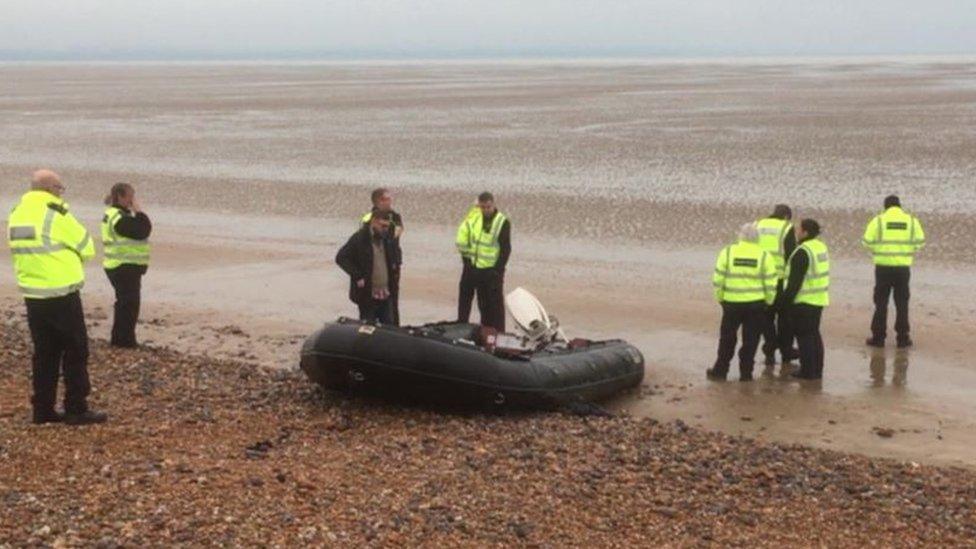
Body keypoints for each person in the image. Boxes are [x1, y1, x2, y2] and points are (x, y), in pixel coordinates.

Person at [6, 169, 107, 425]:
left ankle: (42, 409)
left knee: (45, 353)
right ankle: (76, 407)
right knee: (75, 351)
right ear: (51, 188)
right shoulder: (56, 213)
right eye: (60, 188)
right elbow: (87, 246)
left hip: (33, 294)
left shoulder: (17, 213)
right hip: (61, 292)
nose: (61, 193)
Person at [707, 223, 778, 382]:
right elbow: (771, 282)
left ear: (740, 235)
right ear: (757, 238)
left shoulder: (728, 252)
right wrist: (769, 300)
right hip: (756, 305)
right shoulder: (764, 256)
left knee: (727, 338)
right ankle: (746, 373)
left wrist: (720, 297)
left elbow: (718, 278)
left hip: (731, 303)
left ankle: (720, 370)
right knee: (751, 341)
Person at [862, 195, 925, 348]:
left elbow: (866, 242)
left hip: (883, 267)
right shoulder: (911, 221)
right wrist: (907, 250)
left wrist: (879, 250)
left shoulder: (878, 221)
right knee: (902, 303)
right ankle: (903, 338)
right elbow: (920, 242)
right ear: (899, 206)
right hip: (903, 268)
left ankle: (878, 337)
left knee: (881, 303)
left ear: (885, 207)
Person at [775, 219, 830, 380]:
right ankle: (817, 369)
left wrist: (784, 302)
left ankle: (807, 371)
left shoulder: (802, 252)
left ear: (805, 232)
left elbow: (794, 283)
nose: (796, 233)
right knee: (814, 335)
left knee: (804, 337)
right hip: (819, 298)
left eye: (798, 230)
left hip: (804, 300)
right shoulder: (820, 247)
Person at [101, 183, 152, 348]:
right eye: (131, 196)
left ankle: (121, 338)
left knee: (125, 303)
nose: (133, 200)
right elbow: (143, 229)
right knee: (129, 304)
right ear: (121, 197)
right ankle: (125, 341)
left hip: (120, 265)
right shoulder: (118, 217)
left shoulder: (116, 215)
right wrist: (140, 211)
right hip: (123, 265)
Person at [455, 192, 510, 331]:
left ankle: (498, 334)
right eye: (483, 207)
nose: (486, 210)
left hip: (493, 271)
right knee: (483, 306)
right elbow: (466, 240)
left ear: (493, 205)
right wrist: (468, 262)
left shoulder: (502, 222)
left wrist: (498, 269)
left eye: (488, 207)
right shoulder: (476, 219)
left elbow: (506, 249)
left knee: (496, 308)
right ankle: (485, 333)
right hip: (477, 268)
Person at [336, 211, 400, 324]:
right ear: (374, 221)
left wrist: (396, 265)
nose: (385, 229)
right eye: (383, 226)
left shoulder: (388, 239)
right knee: (368, 329)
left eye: (387, 226)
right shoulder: (359, 239)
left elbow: (396, 256)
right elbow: (341, 258)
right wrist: (358, 275)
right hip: (367, 295)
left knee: (389, 329)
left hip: (386, 294)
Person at [754, 204, 798, 366]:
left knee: (766, 316)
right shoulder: (786, 227)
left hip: (761, 278)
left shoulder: (758, 225)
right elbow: (791, 254)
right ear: (786, 216)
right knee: (785, 317)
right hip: (779, 279)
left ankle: (770, 347)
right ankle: (786, 352)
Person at [360, 188, 403, 324]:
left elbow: (397, 232)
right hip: (375, 262)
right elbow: (365, 236)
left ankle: (394, 328)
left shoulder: (395, 217)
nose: (390, 202)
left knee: (392, 299)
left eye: (390, 199)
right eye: (387, 199)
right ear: (379, 201)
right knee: (371, 300)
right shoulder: (368, 218)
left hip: (392, 262)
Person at [455, 203, 481, 323]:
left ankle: (462, 321)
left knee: (465, 297)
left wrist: (466, 255)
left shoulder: (467, 221)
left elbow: (460, 241)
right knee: (483, 299)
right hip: (483, 264)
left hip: (468, 263)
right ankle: (486, 326)